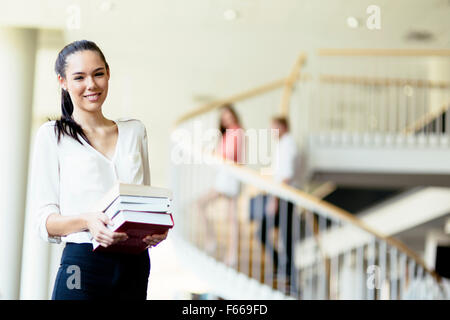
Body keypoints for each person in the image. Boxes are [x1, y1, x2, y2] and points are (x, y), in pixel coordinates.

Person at [29, 40, 168, 300]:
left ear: (108, 73)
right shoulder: (52, 136)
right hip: (82, 263)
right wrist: (88, 221)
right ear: (63, 81)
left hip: (135, 264)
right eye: (79, 77)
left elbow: (143, 202)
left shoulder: (135, 131)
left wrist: (156, 228)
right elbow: (44, 222)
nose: (91, 85)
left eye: (98, 74)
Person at [254, 116, 304, 291]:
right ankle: (285, 272)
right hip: (285, 195)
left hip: (285, 196)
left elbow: (286, 175)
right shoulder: (284, 145)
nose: (271, 132)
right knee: (285, 237)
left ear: (282, 127)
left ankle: (289, 276)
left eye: (273, 128)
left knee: (279, 236)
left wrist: (274, 199)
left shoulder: (288, 145)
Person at [196, 104, 244, 267]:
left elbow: (230, 156)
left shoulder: (237, 132)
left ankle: (230, 252)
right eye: (223, 117)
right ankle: (215, 242)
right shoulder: (227, 134)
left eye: (228, 116)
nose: (226, 119)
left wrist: (213, 154)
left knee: (231, 218)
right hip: (223, 176)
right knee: (206, 206)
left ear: (233, 115)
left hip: (230, 178)